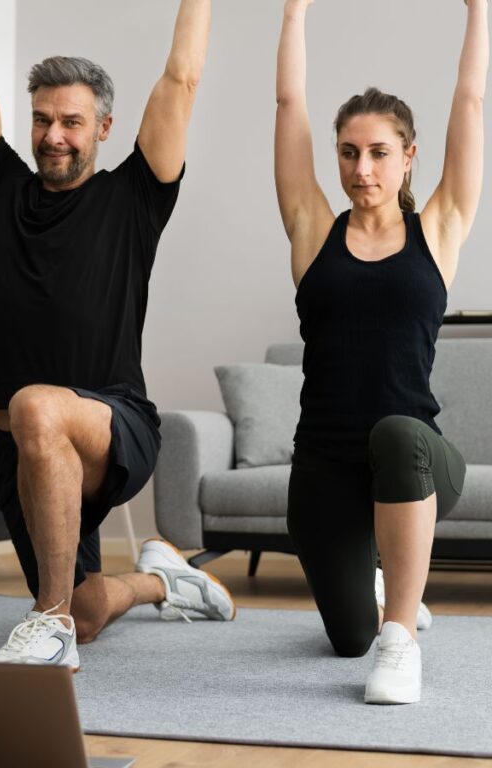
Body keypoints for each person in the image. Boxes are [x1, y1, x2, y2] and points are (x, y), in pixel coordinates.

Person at [0, 0, 235, 672]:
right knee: (87, 609)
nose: (54, 136)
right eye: (43, 120)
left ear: (103, 127)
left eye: (72, 122)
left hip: (115, 425)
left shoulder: (133, 197)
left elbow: (182, 78)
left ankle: (46, 628)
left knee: (38, 404)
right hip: (20, 449)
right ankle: (164, 580)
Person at [275, 0, 486, 703]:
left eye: (379, 152)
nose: (362, 168)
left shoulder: (442, 227)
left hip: (416, 457)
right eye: (348, 152)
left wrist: (479, 10)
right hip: (324, 466)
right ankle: (388, 592)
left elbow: (470, 98)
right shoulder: (312, 229)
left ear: (408, 157)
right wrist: (295, 11)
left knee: (397, 434)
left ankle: (403, 638)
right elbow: (288, 101)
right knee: (345, 638)